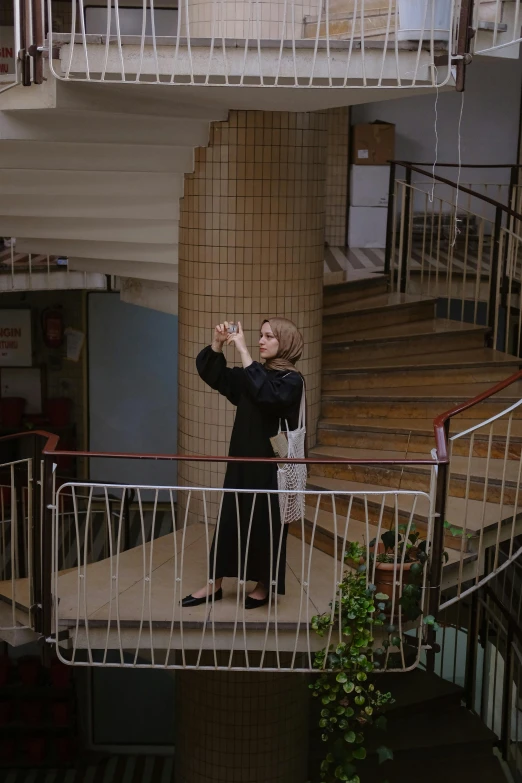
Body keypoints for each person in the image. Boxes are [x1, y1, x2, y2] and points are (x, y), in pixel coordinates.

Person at [181, 318, 305, 610]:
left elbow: (267, 394)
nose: (261, 341)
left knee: (266, 524)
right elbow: (214, 374)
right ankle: (215, 583)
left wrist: (243, 350)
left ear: (285, 343)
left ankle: (264, 584)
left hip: (272, 468)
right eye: (260, 336)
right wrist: (218, 343)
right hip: (241, 461)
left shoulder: (291, 381)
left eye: (269, 337)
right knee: (230, 520)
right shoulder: (256, 374)